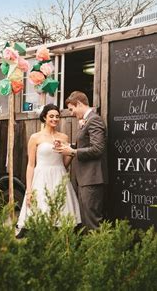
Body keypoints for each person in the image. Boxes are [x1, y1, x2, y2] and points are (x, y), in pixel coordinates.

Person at [17, 104, 81, 232]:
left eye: (57, 116)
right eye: (51, 116)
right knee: (42, 211)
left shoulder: (63, 137)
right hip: (41, 177)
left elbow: (65, 164)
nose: (55, 119)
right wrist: (29, 191)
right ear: (44, 117)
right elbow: (30, 165)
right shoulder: (35, 138)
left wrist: (70, 152)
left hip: (59, 176)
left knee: (61, 212)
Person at [55, 91, 107, 230]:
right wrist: (68, 147)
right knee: (85, 220)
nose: (71, 113)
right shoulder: (86, 121)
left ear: (79, 104)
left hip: (92, 178)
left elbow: (97, 149)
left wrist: (73, 152)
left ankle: (98, 249)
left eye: (72, 109)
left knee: (92, 221)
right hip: (85, 179)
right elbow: (84, 145)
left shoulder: (94, 120)